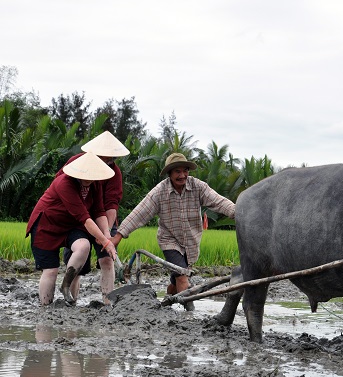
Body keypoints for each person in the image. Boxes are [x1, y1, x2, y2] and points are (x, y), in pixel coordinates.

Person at [110, 152, 236, 311]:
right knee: (182, 276)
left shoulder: (198, 187)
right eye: (177, 172)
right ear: (169, 173)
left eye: (185, 171)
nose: (182, 175)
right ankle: (190, 314)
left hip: (191, 242)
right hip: (169, 240)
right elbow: (140, 213)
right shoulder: (159, 192)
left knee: (176, 281)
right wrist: (119, 235)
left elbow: (219, 201)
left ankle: (165, 303)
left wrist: (239, 212)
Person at [26, 152, 118, 305]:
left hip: (70, 225)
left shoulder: (95, 184)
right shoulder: (64, 183)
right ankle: (45, 307)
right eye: (87, 175)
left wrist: (106, 235)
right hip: (47, 224)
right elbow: (85, 219)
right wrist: (105, 243)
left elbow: (99, 211)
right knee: (51, 270)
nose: (89, 179)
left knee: (83, 246)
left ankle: (66, 285)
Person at [58, 131, 130, 304]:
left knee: (107, 259)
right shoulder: (76, 163)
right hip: (77, 218)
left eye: (113, 157)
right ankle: (71, 301)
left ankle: (107, 302)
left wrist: (105, 234)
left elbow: (111, 204)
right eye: (108, 157)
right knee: (77, 261)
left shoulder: (114, 172)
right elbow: (62, 187)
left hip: (104, 218)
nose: (111, 160)